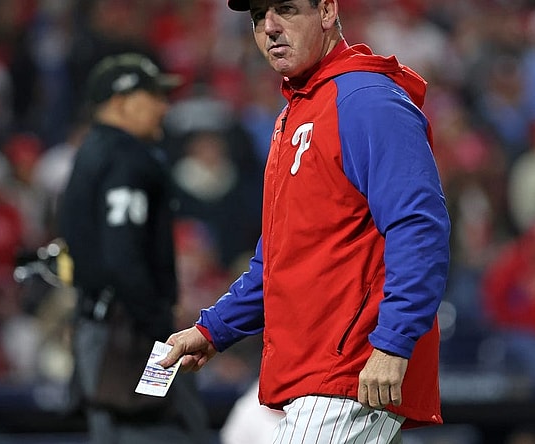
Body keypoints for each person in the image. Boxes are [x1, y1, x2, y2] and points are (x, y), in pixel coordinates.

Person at [159, 0, 451, 442]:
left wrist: (394, 340)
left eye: (286, 9)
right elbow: (280, 259)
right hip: (320, 371)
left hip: (351, 368)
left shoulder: (365, 100)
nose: (270, 27)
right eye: (258, 16)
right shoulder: (298, 111)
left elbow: (419, 227)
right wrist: (212, 330)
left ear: (328, 11)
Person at [58, 53, 211, 444]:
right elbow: (122, 256)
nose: (164, 106)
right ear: (120, 101)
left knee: (120, 429)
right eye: (153, 96)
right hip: (129, 334)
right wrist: (160, 327)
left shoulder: (91, 152)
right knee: (166, 430)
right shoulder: (126, 157)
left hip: (101, 326)